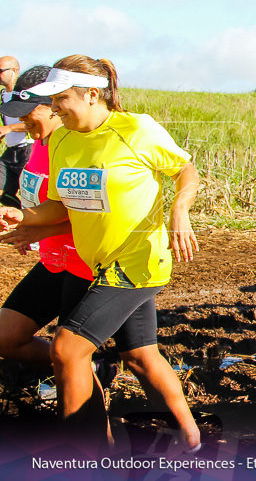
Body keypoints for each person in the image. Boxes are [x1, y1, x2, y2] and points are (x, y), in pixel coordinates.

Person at [0, 56, 201, 451]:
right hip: (92, 263)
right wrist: (21, 215)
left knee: (67, 348)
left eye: (60, 99)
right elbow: (59, 207)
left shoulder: (135, 129)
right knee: (140, 357)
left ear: (93, 95)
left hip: (137, 262)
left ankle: (89, 457)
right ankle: (194, 440)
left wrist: (180, 209)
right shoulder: (61, 139)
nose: (55, 108)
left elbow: (186, 170)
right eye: (51, 100)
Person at [0, 66, 95, 369]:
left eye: (28, 113)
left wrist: (36, 230)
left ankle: (87, 383)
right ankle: (85, 372)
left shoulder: (75, 146)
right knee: (6, 337)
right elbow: (43, 202)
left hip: (84, 264)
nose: (22, 122)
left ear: (53, 106)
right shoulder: (42, 143)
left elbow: (91, 214)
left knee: (69, 355)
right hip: (55, 261)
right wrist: (21, 220)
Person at [0, 56, 34, 208]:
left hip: (27, 150)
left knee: (28, 194)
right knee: (5, 195)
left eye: (0, 71)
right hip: (10, 150)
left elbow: (35, 124)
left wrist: (9, 128)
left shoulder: (25, 95)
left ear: (14, 71)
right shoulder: (3, 95)